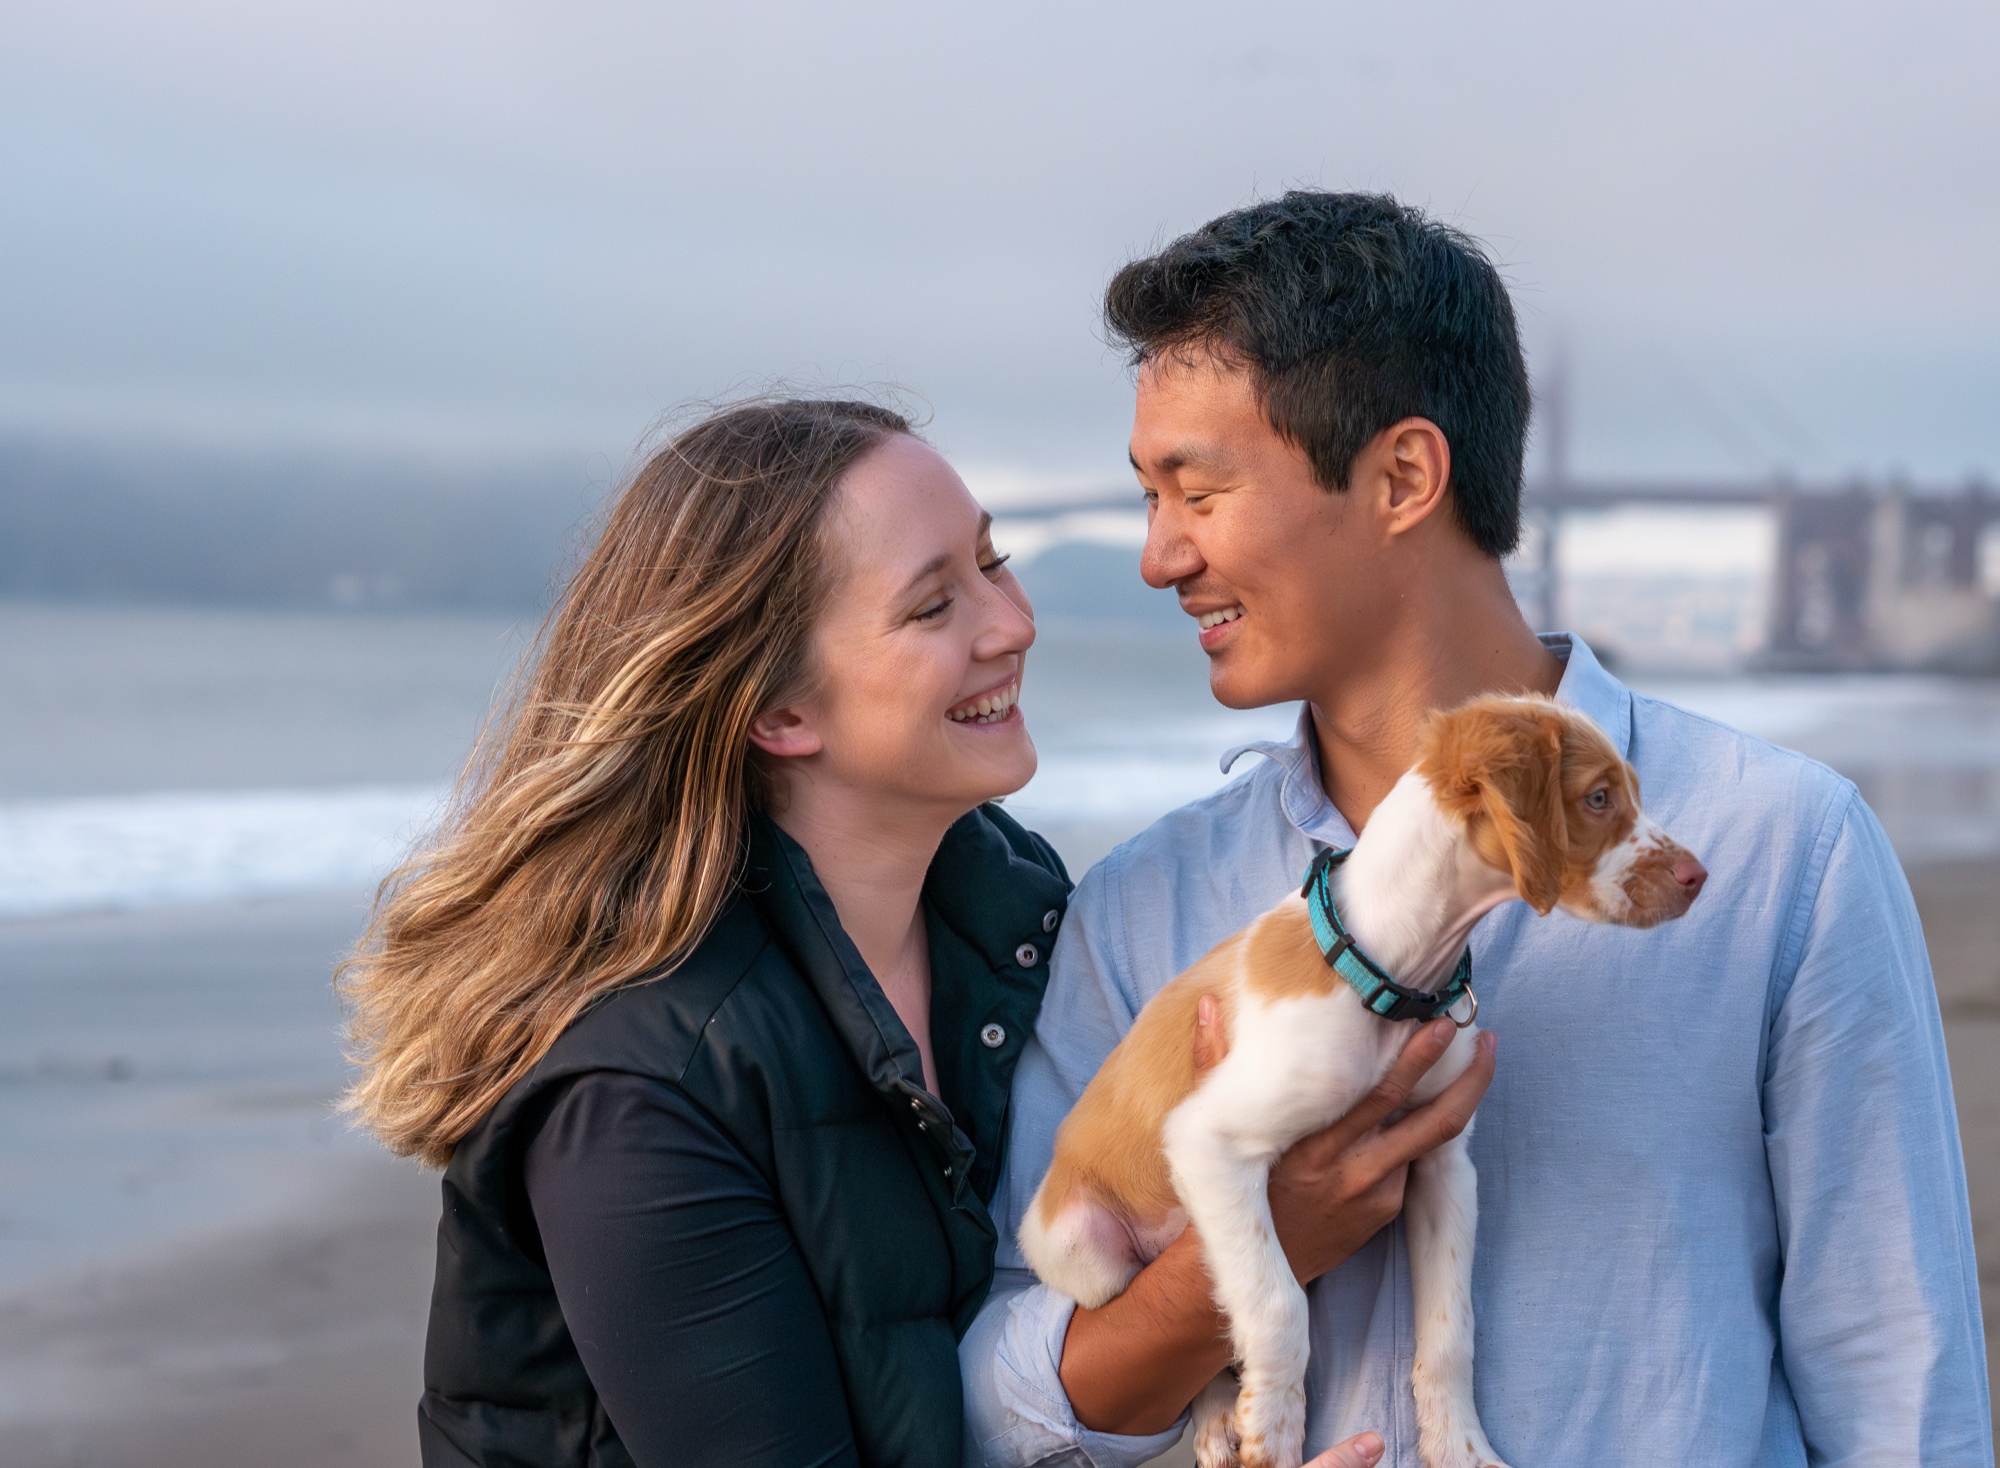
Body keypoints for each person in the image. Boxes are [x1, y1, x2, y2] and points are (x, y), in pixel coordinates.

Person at [963, 193, 1992, 1467]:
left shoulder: (1786, 855)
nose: (1158, 556)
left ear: (1402, 475)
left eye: (1199, 490)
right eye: (1147, 496)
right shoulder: (1141, 904)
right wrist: (1250, 1242)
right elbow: (1007, 1406)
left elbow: (1901, 1385)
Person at [336, 396, 1473, 1468]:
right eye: (933, 605)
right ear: (779, 712)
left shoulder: (1018, 920)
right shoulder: (641, 1089)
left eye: (992, 562)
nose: (1011, 624)